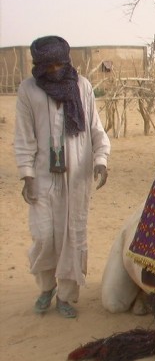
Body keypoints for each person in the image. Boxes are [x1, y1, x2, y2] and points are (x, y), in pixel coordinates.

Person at [14, 35, 111, 319]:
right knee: (44, 235)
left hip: (77, 178)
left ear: (67, 62)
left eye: (60, 63)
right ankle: (46, 288)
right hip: (43, 176)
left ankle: (66, 297)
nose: (55, 69)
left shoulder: (82, 87)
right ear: (39, 65)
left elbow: (95, 129)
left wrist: (101, 160)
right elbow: (23, 137)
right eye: (50, 65)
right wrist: (27, 175)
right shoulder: (28, 90)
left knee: (73, 235)